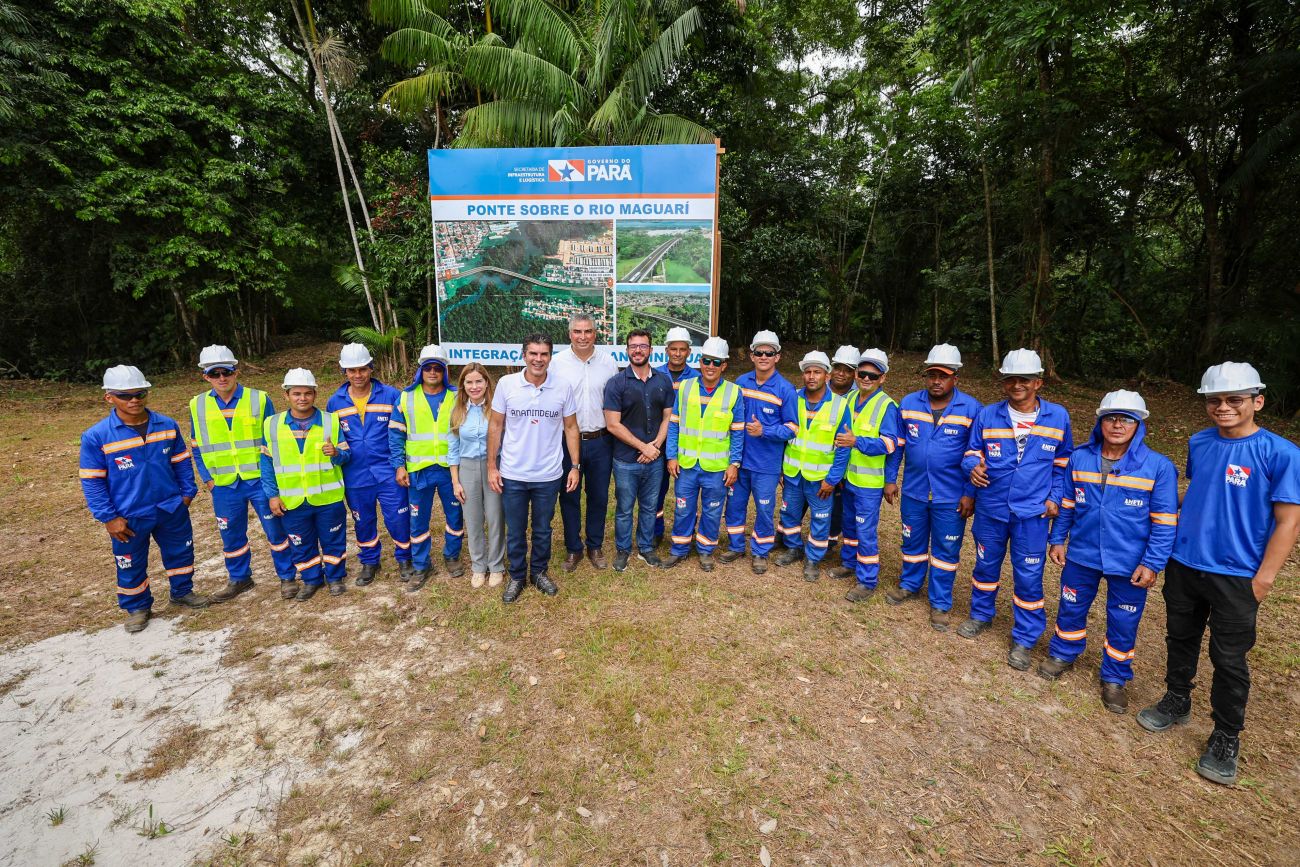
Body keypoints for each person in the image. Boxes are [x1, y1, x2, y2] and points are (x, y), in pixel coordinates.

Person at [1136, 362, 1299, 786]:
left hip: (1238, 574)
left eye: (1234, 400)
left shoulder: (1281, 454)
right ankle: (1176, 699)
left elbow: (1288, 522)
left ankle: (1226, 735)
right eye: (1215, 400)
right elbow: (1203, 491)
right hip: (1186, 562)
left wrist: (1264, 578)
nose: (1223, 407)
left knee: (1228, 658)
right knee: (1180, 637)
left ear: (1256, 402)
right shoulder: (1199, 442)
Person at [1039, 391, 1178, 714]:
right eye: (1111, 418)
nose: (1118, 425)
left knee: (1124, 619)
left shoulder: (1157, 467)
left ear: (1139, 424)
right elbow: (1068, 505)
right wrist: (1058, 540)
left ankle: (1115, 677)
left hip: (1129, 560)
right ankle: (1063, 653)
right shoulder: (1080, 458)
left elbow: (1165, 522)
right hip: (1083, 553)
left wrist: (1153, 563)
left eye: (1126, 419)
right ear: (1100, 422)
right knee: (1071, 605)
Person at [957, 349, 1073, 671]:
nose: (1017, 385)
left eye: (1024, 379)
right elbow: (971, 451)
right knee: (984, 567)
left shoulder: (1058, 417)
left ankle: (1025, 637)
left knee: (1029, 578)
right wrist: (972, 467)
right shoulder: (988, 415)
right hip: (992, 509)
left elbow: (1064, 464)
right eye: (1011, 379)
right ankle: (981, 615)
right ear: (1003, 382)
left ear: (1038, 382)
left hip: (1032, 515)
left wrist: (1055, 497)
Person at [80, 366, 208, 633]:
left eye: (140, 393)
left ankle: (182, 592)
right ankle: (137, 606)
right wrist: (109, 517)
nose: (134, 400)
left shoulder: (166, 425)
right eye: (125, 396)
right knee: (130, 560)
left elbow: (182, 462)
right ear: (109, 398)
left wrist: (187, 493)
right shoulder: (97, 436)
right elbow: (92, 481)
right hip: (128, 515)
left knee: (181, 552)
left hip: (171, 506)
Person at [886, 344, 983, 631]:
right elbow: (898, 447)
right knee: (912, 541)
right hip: (915, 490)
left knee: (946, 549)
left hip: (950, 495)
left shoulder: (971, 408)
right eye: (931, 375)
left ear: (956, 377)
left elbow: (975, 455)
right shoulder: (909, 404)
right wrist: (891, 479)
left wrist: (969, 493)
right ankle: (910, 584)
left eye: (943, 376)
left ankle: (940, 602)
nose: (936, 381)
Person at [188, 344, 296, 602]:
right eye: (215, 374)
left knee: (276, 530)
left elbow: (274, 441)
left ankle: (287, 577)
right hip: (224, 484)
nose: (222, 378)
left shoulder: (259, 399)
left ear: (237, 372)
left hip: (259, 480)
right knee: (231, 534)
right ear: (205, 376)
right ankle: (239, 578)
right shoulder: (197, 405)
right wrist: (208, 479)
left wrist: (273, 481)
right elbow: (196, 445)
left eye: (227, 372)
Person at [488, 334, 580, 603]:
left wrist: (574, 466)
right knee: (515, 530)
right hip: (513, 473)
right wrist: (492, 467)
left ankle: (539, 572)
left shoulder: (563, 387)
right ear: (523, 355)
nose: (538, 359)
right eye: (533, 354)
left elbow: (571, 427)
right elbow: (495, 426)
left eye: (544, 354)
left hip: (549, 474)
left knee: (543, 528)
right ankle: (517, 576)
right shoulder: (507, 385)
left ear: (550, 357)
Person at [260, 368, 352, 600]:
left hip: (327, 498)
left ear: (315, 394)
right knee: (301, 543)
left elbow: (346, 455)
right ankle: (311, 579)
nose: (302, 398)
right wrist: (272, 495)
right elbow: (267, 464)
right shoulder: (271, 424)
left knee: (333, 539)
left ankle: (335, 577)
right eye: (297, 393)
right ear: (286, 396)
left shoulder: (331, 421)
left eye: (307, 393)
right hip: (292, 500)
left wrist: (336, 454)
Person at [326, 343, 412, 587]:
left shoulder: (391, 395)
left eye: (362, 369)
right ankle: (370, 561)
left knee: (397, 518)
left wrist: (400, 464)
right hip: (355, 473)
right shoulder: (335, 402)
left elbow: (401, 434)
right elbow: (335, 439)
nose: (358, 375)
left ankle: (405, 558)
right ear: (344, 372)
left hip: (388, 470)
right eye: (352, 370)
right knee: (362, 520)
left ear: (371, 368)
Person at [661, 337, 744, 570]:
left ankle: (706, 550)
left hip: (716, 468)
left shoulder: (733, 392)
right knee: (683, 507)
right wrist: (671, 456)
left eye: (716, 362)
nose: (710, 366)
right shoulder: (685, 387)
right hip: (686, 465)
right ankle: (679, 549)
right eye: (706, 361)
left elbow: (738, 432)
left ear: (724, 366)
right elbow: (674, 424)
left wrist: (734, 464)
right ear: (700, 362)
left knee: (712, 509)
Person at [719, 330, 798, 574]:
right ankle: (735, 545)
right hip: (740, 461)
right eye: (759, 352)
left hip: (766, 464)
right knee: (734, 506)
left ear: (777, 357)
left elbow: (793, 429)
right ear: (751, 356)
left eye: (769, 353)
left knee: (764, 508)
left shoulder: (785, 389)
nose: (763, 356)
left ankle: (761, 551)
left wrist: (766, 430)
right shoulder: (740, 383)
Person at [389, 345, 464, 592]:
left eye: (438, 368)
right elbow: (395, 435)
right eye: (428, 368)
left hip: (449, 469)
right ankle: (421, 564)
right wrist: (399, 466)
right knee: (417, 519)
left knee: (455, 516)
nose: (433, 372)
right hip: (418, 470)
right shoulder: (405, 397)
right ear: (421, 370)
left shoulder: (457, 396)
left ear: (444, 371)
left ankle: (452, 556)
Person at [773, 351, 852, 582]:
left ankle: (813, 558)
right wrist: (780, 468)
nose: (811, 376)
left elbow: (844, 447)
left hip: (821, 478)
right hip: (793, 473)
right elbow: (783, 435)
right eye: (807, 372)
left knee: (820, 518)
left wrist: (833, 479)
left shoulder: (839, 406)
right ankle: (793, 548)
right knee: (789, 512)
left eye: (817, 372)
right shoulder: (792, 397)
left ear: (826, 375)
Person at [552, 313, 619, 571]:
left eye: (588, 331)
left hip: (601, 440)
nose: (583, 337)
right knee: (569, 496)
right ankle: (573, 548)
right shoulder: (557, 363)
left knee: (599, 495)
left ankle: (595, 545)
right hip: (567, 441)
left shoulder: (608, 362)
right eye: (577, 332)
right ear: (570, 334)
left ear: (595, 333)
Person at [604, 329, 674, 571]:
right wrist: (643, 446)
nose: (638, 350)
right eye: (633, 346)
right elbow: (612, 424)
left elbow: (668, 417)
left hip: (654, 459)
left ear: (651, 350)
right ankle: (623, 549)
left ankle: (646, 548)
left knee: (649, 506)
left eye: (643, 346)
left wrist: (654, 447)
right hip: (625, 460)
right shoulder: (616, 383)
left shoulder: (663, 380)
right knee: (624, 508)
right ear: (627, 350)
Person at [839, 349, 903, 602]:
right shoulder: (850, 398)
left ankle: (867, 580)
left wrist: (889, 480)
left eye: (873, 375)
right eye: (862, 373)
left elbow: (892, 445)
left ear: (883, 378)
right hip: (849, 477)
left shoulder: (887, 406)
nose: (866, 378)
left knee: (865, 531)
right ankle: (848, 563)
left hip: (870, 482)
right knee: (849, 524)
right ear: (856, 374)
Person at [449, 363, 506, 589]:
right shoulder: (457, 410)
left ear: (486, 383)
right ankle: (478, 566)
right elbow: (452, 448)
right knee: (472, 520)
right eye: (469, 382)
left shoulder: (496, 408)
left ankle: (497, 566)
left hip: (493, 466)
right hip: (468, 467)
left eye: (478, 381)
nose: (474, 386)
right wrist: (455, 481)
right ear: (463, 385)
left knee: (494, 517)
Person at [653, 327, 700, 544]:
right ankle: (655, 532)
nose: (678, 354)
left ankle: (688, 531)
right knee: (657, 491)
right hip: (660, 442)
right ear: (666, 350)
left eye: (682, 349)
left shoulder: (699, 378)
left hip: (688, 444)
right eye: (674, 349)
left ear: (689, 352)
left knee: (688, 494)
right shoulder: (655, 374)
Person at [824, 345, 860, 564]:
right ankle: (786, 536)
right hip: (812, 459)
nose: (841, 373)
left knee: (837, 505)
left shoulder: (857, 398)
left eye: (847, 370)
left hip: (841, 461)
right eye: (838, 367)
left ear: (854, 373)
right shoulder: (818, 387)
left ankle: (829, 540)